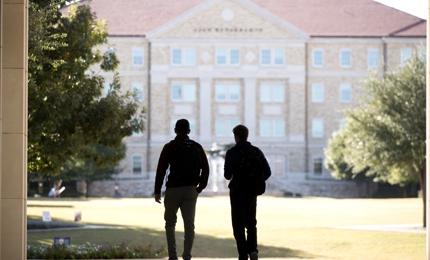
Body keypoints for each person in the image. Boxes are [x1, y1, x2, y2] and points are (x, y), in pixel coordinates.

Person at [154, 119, 210, 260]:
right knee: (189, 225)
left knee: (170, 224)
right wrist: (200, 187)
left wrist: (157, 190)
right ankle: (187, 255)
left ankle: (173, 255)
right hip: (191, 189)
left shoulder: (170, 147)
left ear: (175, 130)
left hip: (173, 189)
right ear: (189, 131)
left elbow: (161, 170)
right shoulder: (196, 147)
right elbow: (206, 168)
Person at [224, 125, 271, 260]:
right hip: (251, 192)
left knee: (237, 224)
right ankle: (253, 250)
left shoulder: (232, 152)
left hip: (237, 191)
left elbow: (227, 176)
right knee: (251, 223)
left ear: (236, 137)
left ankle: (243, 254)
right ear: (246, 135)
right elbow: (267, 172)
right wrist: (256, 181)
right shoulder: (256, 151)